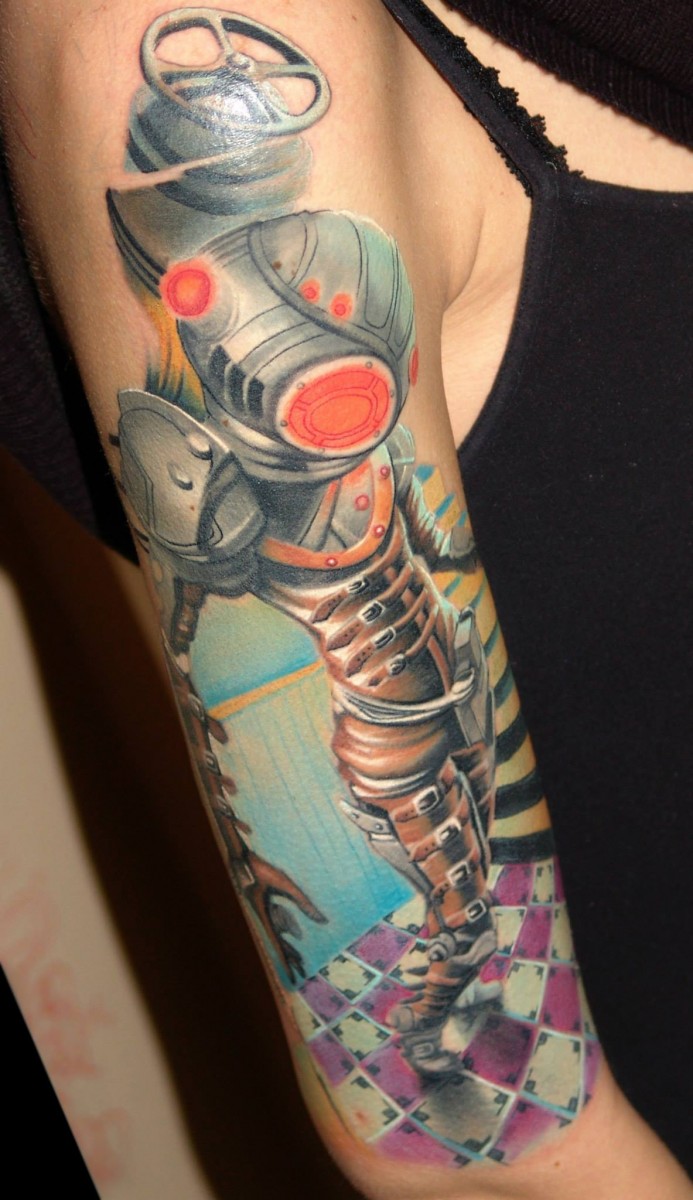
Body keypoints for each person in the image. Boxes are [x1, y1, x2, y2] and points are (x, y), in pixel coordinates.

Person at [0, 1, 691, 1195]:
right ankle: (443, 1008)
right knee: (457, 903)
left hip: (432, 684)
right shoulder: (189, 50)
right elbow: (481, 1163)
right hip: (402, 743)